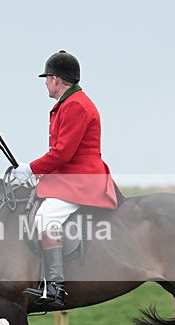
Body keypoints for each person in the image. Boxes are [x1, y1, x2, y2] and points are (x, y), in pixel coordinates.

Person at [12, 50, 119, 309]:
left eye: (47, 78)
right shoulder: (70, 103)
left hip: (82, 178)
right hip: (70, 175)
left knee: (46, 218)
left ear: (56, 79)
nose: (45, 83)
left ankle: (56, 287)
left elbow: (62, 153)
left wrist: (31, 169)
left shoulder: (75, 105)